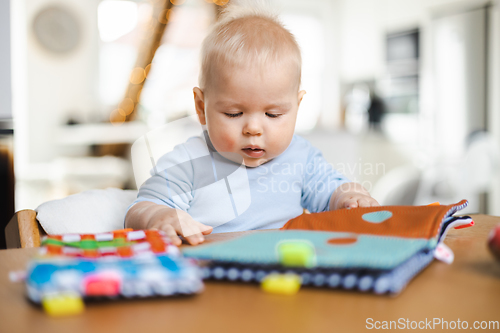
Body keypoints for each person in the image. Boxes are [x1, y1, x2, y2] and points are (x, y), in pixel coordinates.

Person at [125, 1, 379, 246]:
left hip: (285, 268)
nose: (254, 129)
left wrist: (350, 196)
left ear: (297, 108)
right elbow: (139, 209)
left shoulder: (301, 157)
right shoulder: (188, 162)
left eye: (273, 115)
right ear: (202, 107)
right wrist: (157, 216)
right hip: (214, 272)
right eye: (234, 113)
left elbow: (332, 191)